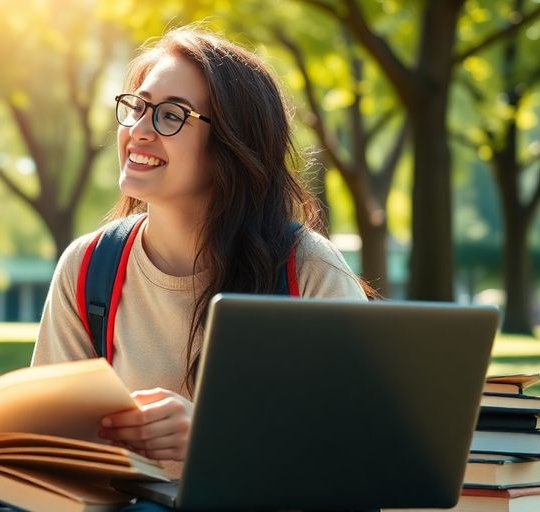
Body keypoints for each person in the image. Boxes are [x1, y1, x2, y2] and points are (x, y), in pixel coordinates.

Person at [31, 25, 369, 480]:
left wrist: (214, 437)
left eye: (171, 116)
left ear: (232, 144)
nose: (139, 131)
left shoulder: (308, 270)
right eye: (137, 107)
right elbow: (46, 453)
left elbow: (361, 450)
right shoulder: (88, 268)